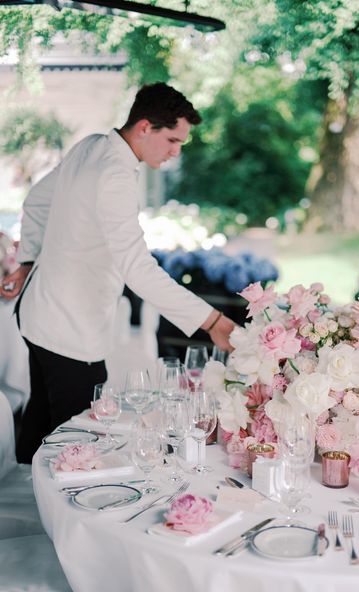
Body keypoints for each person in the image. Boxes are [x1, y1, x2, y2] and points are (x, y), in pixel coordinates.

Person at [0, 82, 235, 463]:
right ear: (145, 127)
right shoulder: (117, 174)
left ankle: (25, 511)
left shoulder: (91, 145)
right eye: (173, 140)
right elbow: (137, 269)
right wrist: (212, 321)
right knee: (75, 447)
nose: (176, 152)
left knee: (40, 429)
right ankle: (55, 519)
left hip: (38, 315)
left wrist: (29, 261)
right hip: (71, 331)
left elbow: (37, 201)